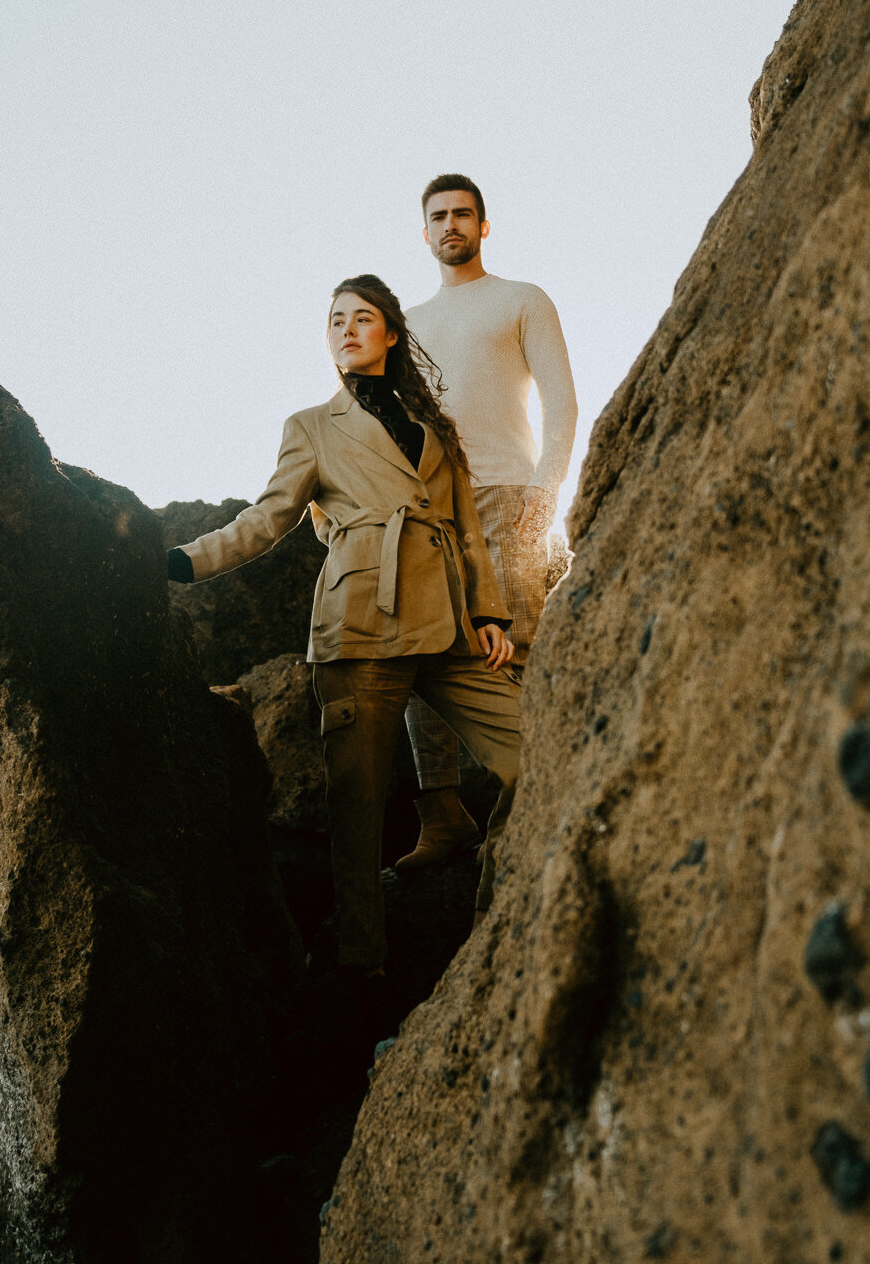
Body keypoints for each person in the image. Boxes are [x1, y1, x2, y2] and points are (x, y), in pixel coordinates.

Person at [166, 275, 522, 976]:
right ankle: (362, 975)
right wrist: (179, 563)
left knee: (537, 745)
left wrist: (488, 612)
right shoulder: (310, 427)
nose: (347, 329)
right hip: (359, 627)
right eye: (336, 321)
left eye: (364, 318)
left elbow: (470, 530)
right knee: (355, 825)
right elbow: (265, 521)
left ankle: (498, 917)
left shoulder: (436, 430)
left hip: (449, 628)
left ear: (391, 332)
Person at [395, 174, 577, 873]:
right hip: (430, 506)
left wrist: (545, 489)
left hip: (505, 493)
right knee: (423, 655)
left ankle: (536, 796)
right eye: (438, 217)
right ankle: (442, 815)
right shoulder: (405, 324)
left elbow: (562, 404)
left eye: (463, 214)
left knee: (518, 645)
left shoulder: (521, 299)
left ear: (484, 225)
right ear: (425, 232)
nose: (451, 225)